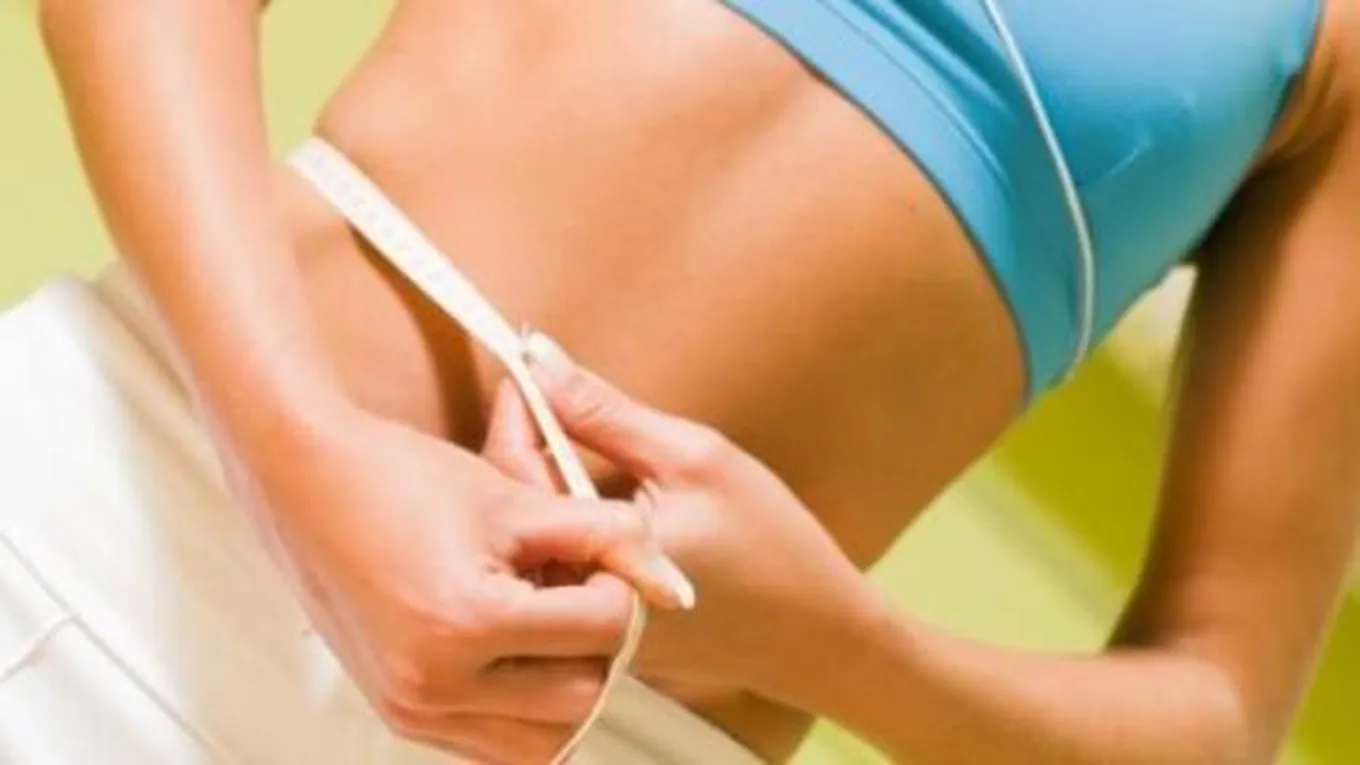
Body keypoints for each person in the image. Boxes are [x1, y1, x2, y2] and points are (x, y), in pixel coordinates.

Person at [11, 0, 1359, 762]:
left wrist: (836, 648)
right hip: (131, 500)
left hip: (605, 738)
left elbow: (1218, 708)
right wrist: (300, 448)